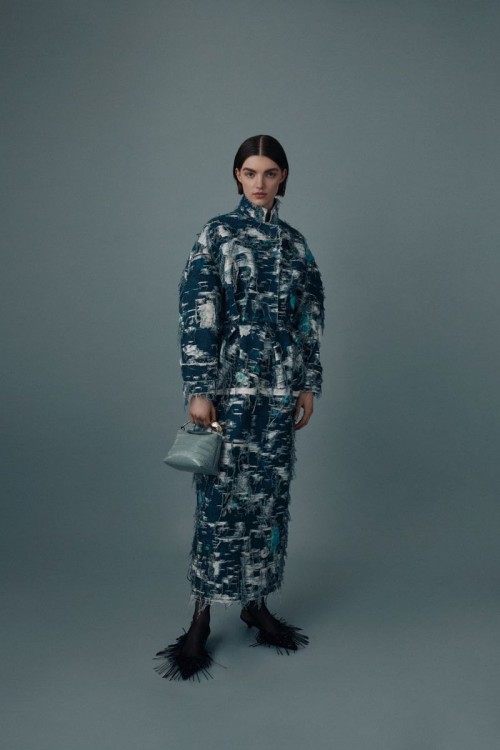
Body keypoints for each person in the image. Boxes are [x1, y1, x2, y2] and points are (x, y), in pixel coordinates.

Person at [154, 134, 324, 681]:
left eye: (270, 173)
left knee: (269, 497)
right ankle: (201, 618)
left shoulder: (296, 244)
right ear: (236, 175)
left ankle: (256, 604)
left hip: (280, 389)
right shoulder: (218, 234)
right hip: (230, 390)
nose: (259, 183)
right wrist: (199, 387)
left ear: (283, 177)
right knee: (221, 499)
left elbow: (309, 315)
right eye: (250, 172)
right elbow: (198, 310)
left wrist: (307, 383)